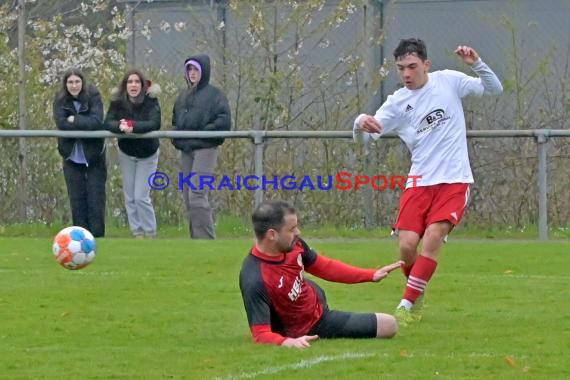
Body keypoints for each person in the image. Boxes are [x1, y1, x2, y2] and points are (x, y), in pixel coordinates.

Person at [353, 38, 503, 326]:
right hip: (419, 181)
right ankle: (417, 292)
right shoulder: (397, 102)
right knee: (407, 247)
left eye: (412, 66)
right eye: (401, 69)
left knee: (433, 237)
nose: (406, 74)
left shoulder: (448, 81)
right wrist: (360, 123)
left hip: (454, 179)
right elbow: (365, 138)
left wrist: (477, 65)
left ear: (426, 65)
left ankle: (406, 304)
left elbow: (494, 89)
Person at [239, 200, 402, 348]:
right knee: (390, 325)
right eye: (292, 229)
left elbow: (324, 267)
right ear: (272, 235)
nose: (298, 232)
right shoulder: (255, 279)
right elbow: (260, 334)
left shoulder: (293, 245)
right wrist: (288, 342)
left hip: (315, 303)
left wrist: (371, 275)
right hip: (315, 324)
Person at [171, 54, 231, 239]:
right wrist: (178, 139)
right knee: (188, 196)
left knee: (197, 194)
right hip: (187, 150)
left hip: (205, 149)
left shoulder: (215, 95)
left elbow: (224, 121)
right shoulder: (183, 96)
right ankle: (196, 239)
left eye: (196, 69)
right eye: (189, 69)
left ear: (204, 71)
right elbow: (175, 121)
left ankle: (206, 239)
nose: (192, 73)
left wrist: (204, 132)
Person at [104, 69, 161, 239]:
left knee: (141, 196)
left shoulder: (151, 102)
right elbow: (108, 122)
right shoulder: (118, 102)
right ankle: (137, 233)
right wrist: (120, 127)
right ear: (125, 85)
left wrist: (132, 126)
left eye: (137, 82)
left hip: (147, 154)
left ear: (143, 85)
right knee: (130, 196)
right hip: (127, 152)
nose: (133, 85)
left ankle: (150, 233)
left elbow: (154, 123)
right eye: (130, 82)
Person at [52, 68, 107, 238]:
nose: (74, 85)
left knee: (95, 200)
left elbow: (96, 122)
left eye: (77, 82)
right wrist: (82, 123)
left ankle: (98, 237)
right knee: (77, 200)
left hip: (94, 156)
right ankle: (80, 239)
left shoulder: (94, 96)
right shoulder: (60, 100)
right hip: (71, 157)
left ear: (82, 83)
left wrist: (74, 119)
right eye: (70, 82)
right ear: (65, 84)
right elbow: (61, 123)